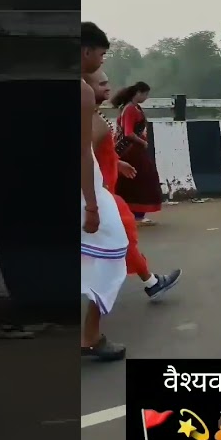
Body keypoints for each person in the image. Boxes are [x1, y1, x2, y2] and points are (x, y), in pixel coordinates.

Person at [84, 67, 181, 300]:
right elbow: (85, 157)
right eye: (100, 84)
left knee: (117, 240)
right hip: (99, 194)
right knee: (121, 239)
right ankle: (149, 282)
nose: (107, 87)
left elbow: (96, 153)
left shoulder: (96, 116)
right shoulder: (93, 120)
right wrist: (92, 204)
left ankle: (149, 282)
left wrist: (117, 163)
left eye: (107, 82)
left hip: (102, 191)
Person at [80, 23, 129, 361]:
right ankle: (90, 336)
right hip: (85, 188)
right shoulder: (82, 93)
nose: (101, 61)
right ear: (86, 51)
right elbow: (83, 151)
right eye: (100, 54)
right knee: (115, 250)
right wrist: (93, 206)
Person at [111, 81, 162, 225]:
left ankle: (133, 214)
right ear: (138, 93)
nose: (146, 97)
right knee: (142, 181)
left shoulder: (133, 108)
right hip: (131, 151)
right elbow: (128, 133)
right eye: (145, 94)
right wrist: (143, 142)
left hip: (132, 151)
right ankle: (136, 215)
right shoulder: (131, 109)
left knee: (133, 182)